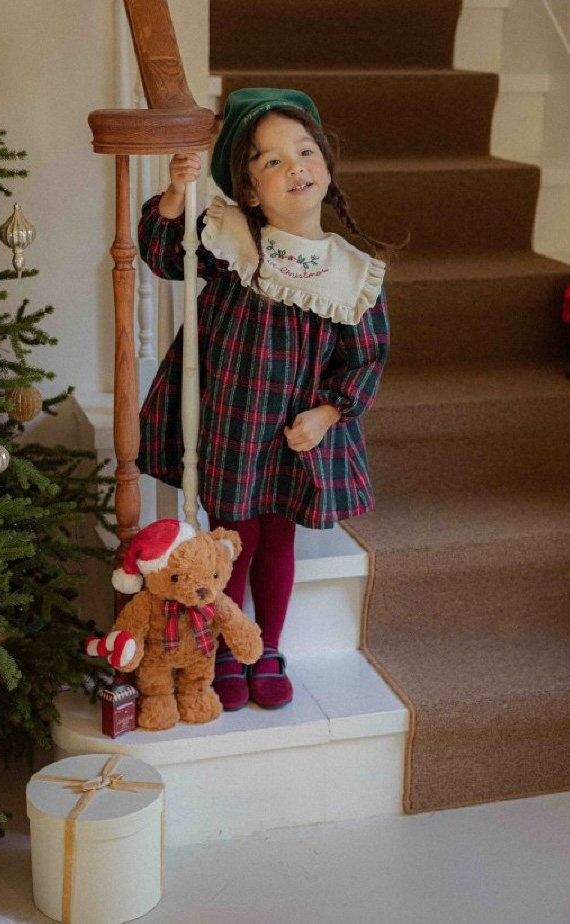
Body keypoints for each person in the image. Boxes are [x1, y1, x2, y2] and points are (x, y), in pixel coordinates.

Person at [137, 88, 390, 712]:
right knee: (233, 540)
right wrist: (174, 193)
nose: (295, 167)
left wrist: (328, 412)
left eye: (305, 152)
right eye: (272, 161)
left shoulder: (350, 273)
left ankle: (265, 647)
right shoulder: (231, 241)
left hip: (291, 434)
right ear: (250, 191)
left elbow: (363, 359)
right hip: (232, 423)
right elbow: (164, 254)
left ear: (325, 166)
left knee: (277, 540)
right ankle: (224, 643)